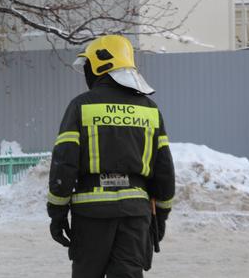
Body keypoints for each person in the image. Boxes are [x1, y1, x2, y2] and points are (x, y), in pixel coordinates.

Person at [47, 35, 175, 278]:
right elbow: (164, 170)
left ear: (98, 66)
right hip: (135, 215)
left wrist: (57, 214)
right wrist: (162, 215)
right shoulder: (149, 109)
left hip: (91, 214)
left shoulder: (81, 106)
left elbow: (64, 164)